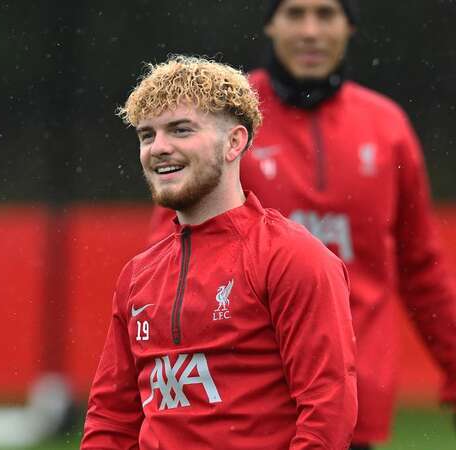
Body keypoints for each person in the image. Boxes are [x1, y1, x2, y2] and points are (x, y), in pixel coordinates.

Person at [146, 1, 456, 449]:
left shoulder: (387, 127)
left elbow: (421, 267)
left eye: (326, 14)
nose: (310, 31)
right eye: (295, 14)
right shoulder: (219, 120)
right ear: (270, 24)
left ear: (349, 25)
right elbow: (174, 257)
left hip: (353, 399)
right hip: (245, 405)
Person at [81, 56, 357, 450]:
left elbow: (327, 410)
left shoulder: (293, 258)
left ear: (234, 142)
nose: (159, 148)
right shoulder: (136, 276)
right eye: (147, 135)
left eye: (180, 130)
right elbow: (110, 420)